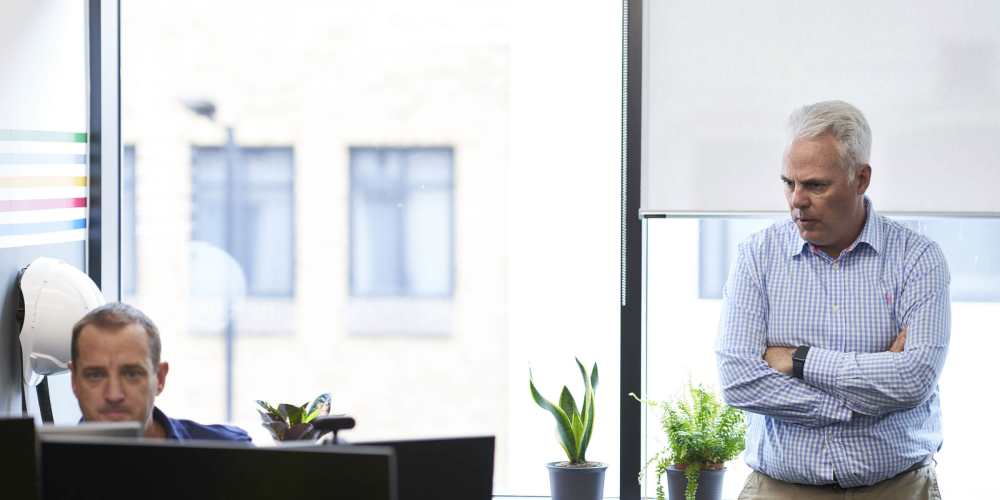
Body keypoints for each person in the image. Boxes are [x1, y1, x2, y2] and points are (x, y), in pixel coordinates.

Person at [716, 100, 949, 499]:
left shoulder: (917, 259)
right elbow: (739, 382)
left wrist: (798, 360)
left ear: (861, 179)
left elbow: (913, 380)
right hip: (781, 489)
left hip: (898, 489)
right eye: (789, 183)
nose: (796, 200)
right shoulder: (757, 256)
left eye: (816, 185)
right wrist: (861, 405)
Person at [69, 302, 251, 442]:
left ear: (160, 378)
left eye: (132, 374)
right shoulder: (45, 465)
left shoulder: (227, 452)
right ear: (74, 381)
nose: (114, 395)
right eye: (95, 375)